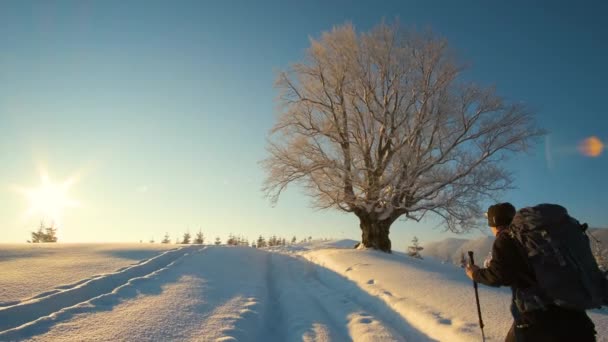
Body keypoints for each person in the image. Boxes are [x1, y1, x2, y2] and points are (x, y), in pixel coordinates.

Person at [465, 202, 597, 341]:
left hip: (539, 323)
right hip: (576, 317)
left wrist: (475, 274)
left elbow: (500, 276)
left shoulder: (506, 238)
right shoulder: (540, 237)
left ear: (493, 223)